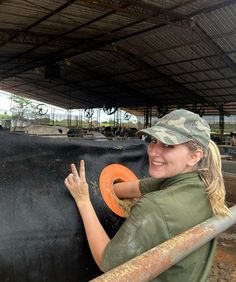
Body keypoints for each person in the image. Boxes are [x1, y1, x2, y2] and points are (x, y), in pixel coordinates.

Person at [64, 109, 230, 281]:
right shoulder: (204, 185)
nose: (152, 151)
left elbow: (107, 263)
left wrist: (83, 200)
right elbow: (132, 187)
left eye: (168, 145)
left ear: (195, 156)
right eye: (153, 141)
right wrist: (104, 189)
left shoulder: (154, 207)